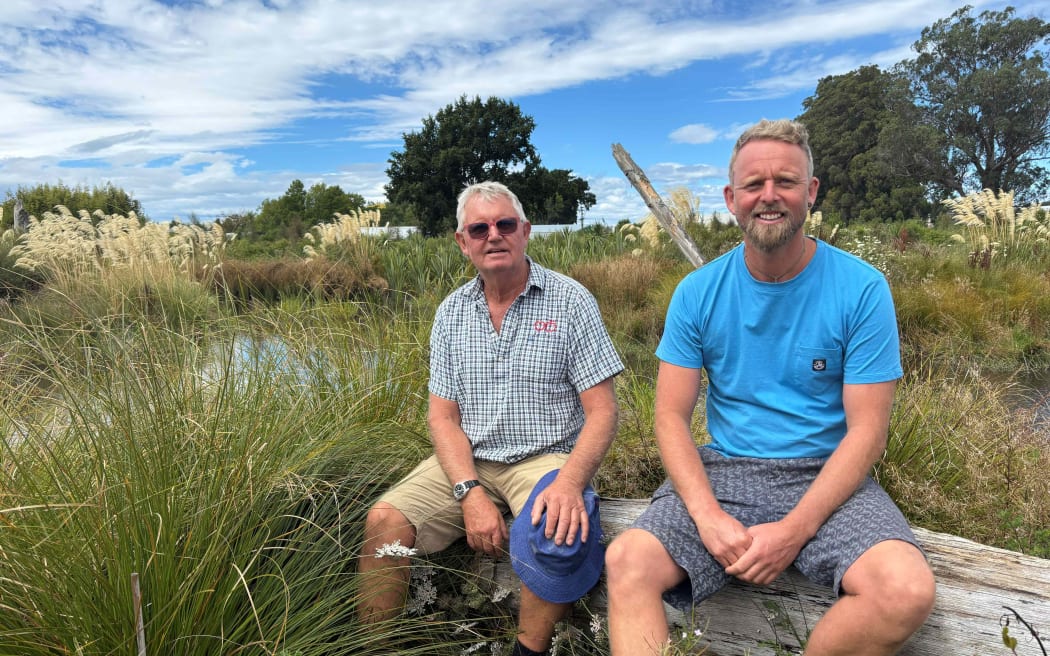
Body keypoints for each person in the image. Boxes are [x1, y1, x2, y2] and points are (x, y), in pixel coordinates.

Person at [605, 119, 936, 656]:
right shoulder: (697, 293)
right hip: (726, 469)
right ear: (731, 198)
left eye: (785, 181)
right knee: (626, 562)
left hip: (827, 476)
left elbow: (868, 431)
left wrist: (795, 530)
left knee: (903, 591)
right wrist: (708, 517)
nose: (769, 196)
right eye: (754, 185)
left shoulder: (862, 288)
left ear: (810, 192)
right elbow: (669, 418)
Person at [359, 181, 623, 656]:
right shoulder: (451, 313)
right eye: (479, 228)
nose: (493, 235)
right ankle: (379, 646)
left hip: (544, 459)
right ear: (463, 242)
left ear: (525, 231)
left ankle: (527, 651)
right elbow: (442, 419)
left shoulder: (570, 301)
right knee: (384, 521)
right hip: (470, 460)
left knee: (555, 535)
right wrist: (468, 492)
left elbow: (603, 412)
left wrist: (568, 484)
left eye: (504, 224)